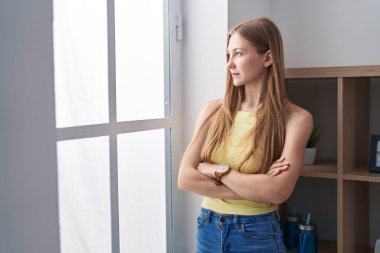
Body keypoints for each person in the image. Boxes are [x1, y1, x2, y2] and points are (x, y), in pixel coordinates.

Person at [177, 17, 313, 253]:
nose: (230, 64)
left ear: (268, 58)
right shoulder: (212, 110)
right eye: (228, 55)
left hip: (257, 234)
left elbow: (278, 191)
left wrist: (216, 170)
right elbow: (185, 177)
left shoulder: (296, 119)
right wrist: (258, 189)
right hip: (208, 229)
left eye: (238, 54)